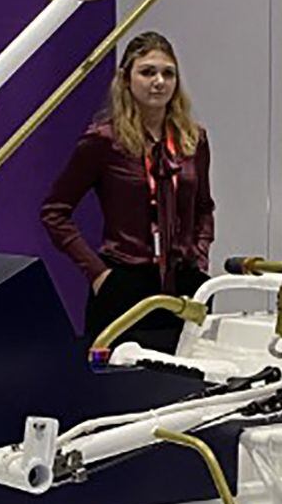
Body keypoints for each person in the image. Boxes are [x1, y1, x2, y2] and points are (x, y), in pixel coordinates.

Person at [42, 31, 214, 348]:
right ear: (125, 79)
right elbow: (54, 212)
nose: (159, 82)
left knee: (185, 374)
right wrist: (98, 274)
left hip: (185, 286)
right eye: (147, 72)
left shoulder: (194, 139)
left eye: (168, 73)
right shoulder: (104, 141)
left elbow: (204, 208)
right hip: (125, 285)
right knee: (123, 377)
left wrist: (200, 260)